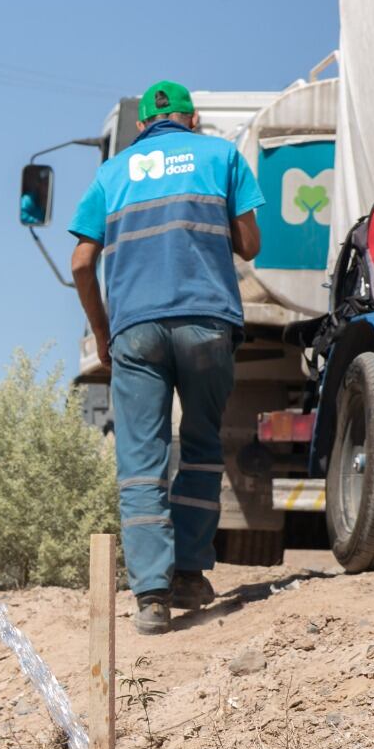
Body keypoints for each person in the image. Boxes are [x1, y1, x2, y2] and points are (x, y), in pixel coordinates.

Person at [68, 80, 263, 635]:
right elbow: (250, 244)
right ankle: (190, 575)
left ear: (140, 127)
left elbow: (82, 263)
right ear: (193, 118)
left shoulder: (112, 173)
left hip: (135, 332)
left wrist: (102, 330)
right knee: (201, 445)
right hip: (206, 322)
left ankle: (151, 597)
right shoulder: (221, 155)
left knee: (140, 462)